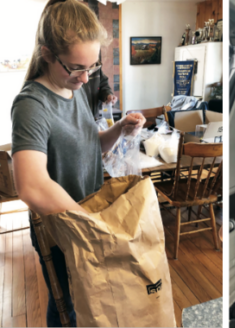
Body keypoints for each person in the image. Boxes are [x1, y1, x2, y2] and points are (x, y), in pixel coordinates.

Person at [10, 0, 145, 326]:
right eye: (76, 68)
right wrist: (89, 221)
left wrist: (118, 129)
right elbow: (30, 184)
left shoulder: (76, 92)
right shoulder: (32, 105)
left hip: (91, 217)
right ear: (46, 54)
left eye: (92, 67)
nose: (86, 79)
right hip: (62, 231)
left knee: (92, 300)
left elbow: (88, 147)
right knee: (67, 307)